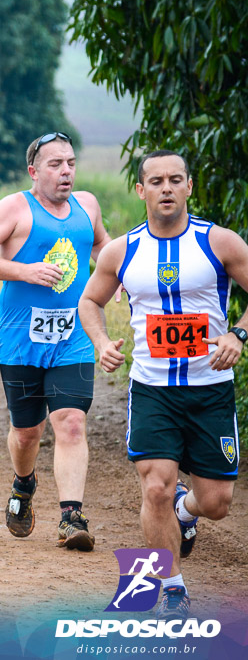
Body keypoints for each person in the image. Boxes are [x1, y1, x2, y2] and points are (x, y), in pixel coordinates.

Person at [79, 150, 247, 620]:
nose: (166, 188)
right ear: (141, 190)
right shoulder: (122, 251)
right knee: (155, 488)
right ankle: (171, 587)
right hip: (151, 388)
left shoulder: (220, 242)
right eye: (156, 181)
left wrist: (238, 333)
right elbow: (89, 302)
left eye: (176, 179)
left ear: (190, 186)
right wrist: (99, 342)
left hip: (210, 388)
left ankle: (187, 511)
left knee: (217, 503)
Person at [0, 131, 112, 552]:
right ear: (33, 171)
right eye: (55, 164)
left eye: (71, 163)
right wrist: (25, 270)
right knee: (27, 432)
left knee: (70, 422)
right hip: (21, 340)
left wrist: (114, 276)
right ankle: (23, 484)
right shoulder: (14, 207)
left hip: (74, 337)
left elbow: (103, 246)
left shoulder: (87, 205)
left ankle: (71, 517)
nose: (66, 171)